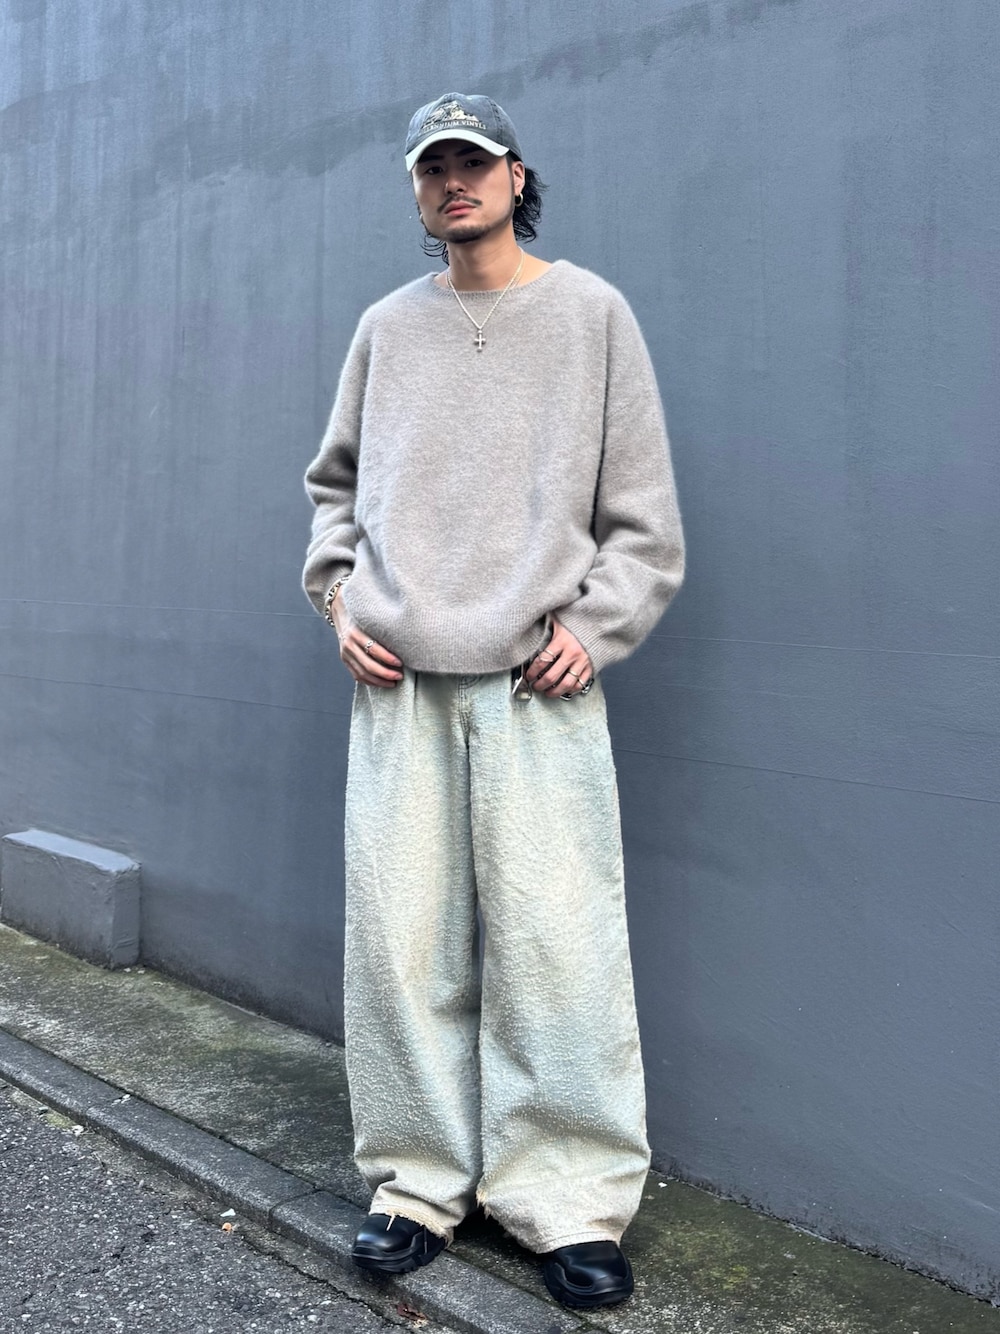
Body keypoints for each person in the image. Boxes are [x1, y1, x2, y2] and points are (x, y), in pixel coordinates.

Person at [301, 92, 684, 1311]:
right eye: (433, 168)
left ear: (518, 176)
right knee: (400, 941)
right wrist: (340, 601)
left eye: (473, 162)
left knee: (557, 944)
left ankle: (565, 1198)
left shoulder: (591, 316)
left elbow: (644, 520)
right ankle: (415, 1182)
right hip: (399, 682)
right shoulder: (385, 328)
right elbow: (333, 490)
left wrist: (595, 627)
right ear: (417, 190)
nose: (452, 183)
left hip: (535, 683)